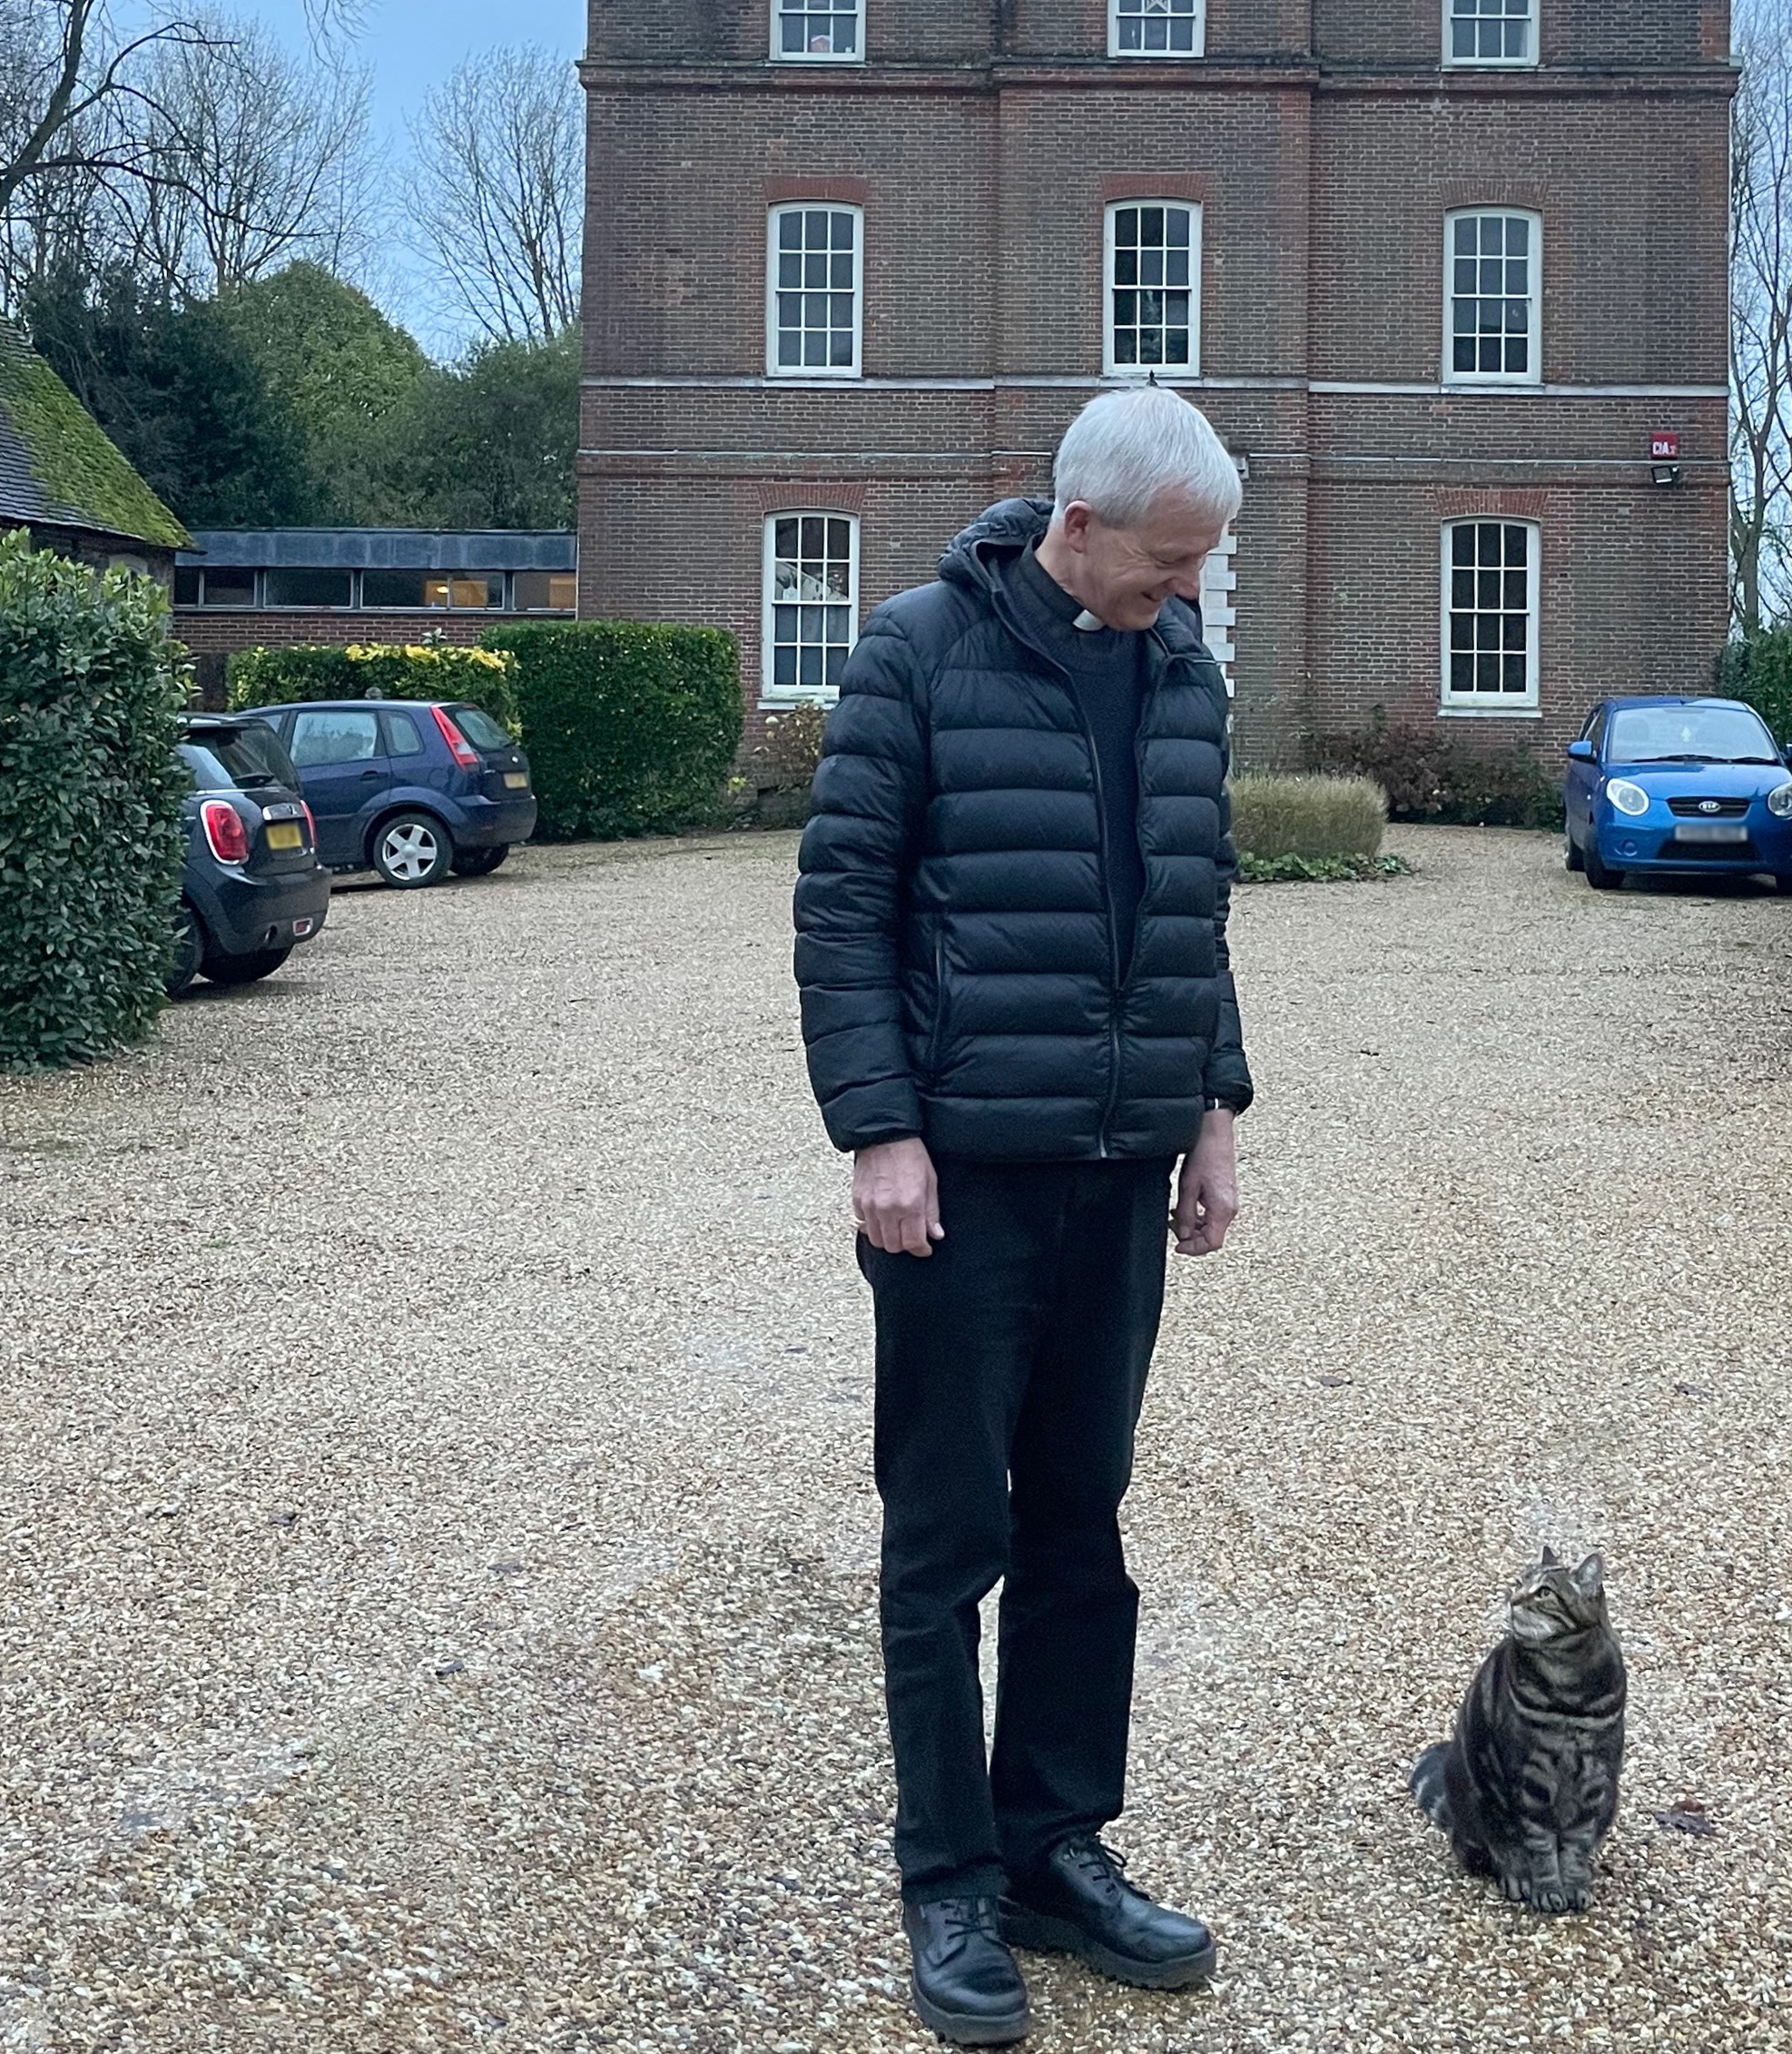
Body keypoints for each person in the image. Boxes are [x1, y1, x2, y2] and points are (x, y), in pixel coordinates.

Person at [794, 384, 1253, 2046]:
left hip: (1121, 1171)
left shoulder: (1183, 671)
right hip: (960, 1181)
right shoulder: (916, 652)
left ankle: (1056, 1847)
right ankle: (949, 1878)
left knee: (1081, 1525)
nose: (1186, 590)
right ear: (1077, 521)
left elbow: (1197, 907)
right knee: (945, 1540)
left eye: (1202, 564)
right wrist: (878, 1132)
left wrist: (1212, 1109)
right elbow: (841, 909)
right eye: (1169, 559)